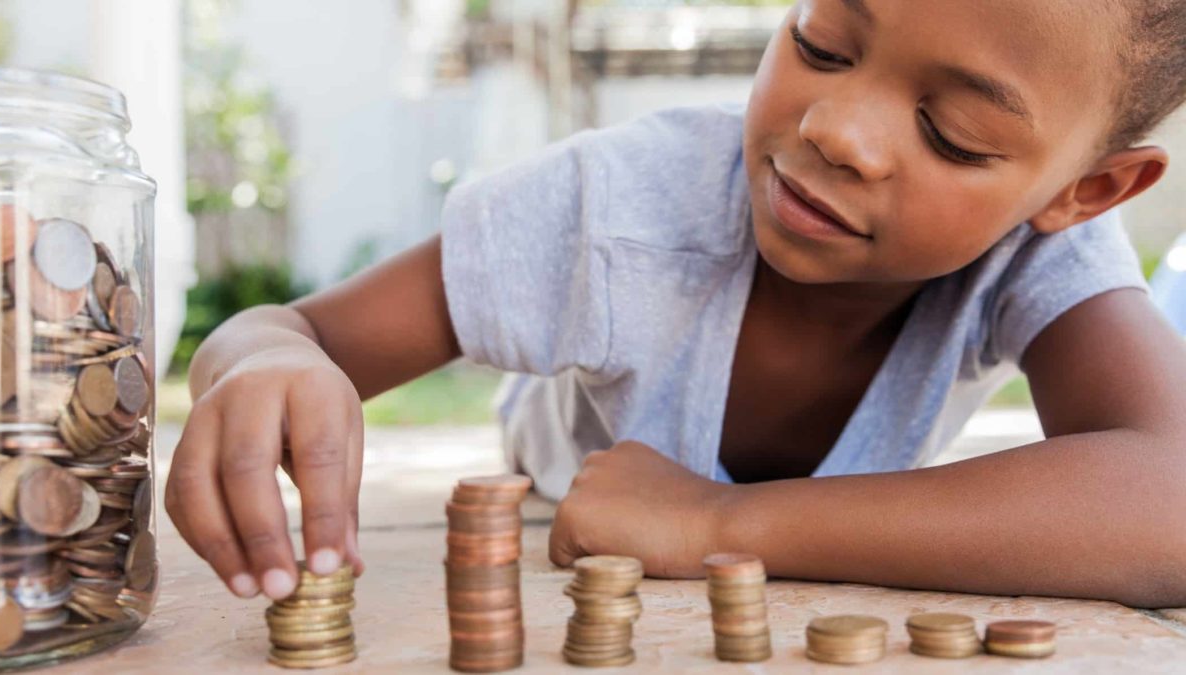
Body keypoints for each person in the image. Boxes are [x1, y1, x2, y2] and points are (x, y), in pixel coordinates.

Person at [166, 0, 1186, 609]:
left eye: (954, 132)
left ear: (1082, 190)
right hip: (561, 464)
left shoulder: (1039, 248)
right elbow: (289, 332)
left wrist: (719, 522)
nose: (836, 129)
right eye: (824, 39)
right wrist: (262, 362)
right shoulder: (612, 209)